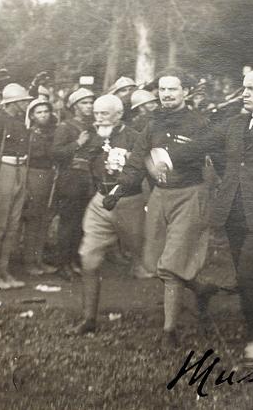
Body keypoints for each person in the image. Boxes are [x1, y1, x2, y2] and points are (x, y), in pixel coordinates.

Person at [136, 67, 253, 364]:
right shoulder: (234, 123)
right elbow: (201, 144)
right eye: (243, 87)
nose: (244, 93)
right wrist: (167, 157)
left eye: (251, 89)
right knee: (248, 275)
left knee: (248, 274)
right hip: (235, 212)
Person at [104, 69, 218, 347]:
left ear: (186, 92)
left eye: (173, 89)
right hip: (159, 197)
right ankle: (200, 289)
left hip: (190, 195)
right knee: (153, 262)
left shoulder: (200, 122)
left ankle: (169, 331)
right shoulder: (152, 123)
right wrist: (118, 189)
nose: (167, 94)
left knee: (170, 265)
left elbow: (214, 151)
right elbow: (136, 160)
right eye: (163, 90)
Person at [68, 95, 145, 335]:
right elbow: (79, 162)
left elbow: (142, 172)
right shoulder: (93, 135)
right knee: (88, 259)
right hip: (101, 203)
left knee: (151, 261)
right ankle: (88, 319)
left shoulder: (135, 138)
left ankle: (198, 290)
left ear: (119, 114)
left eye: (105, 114)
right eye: (96, 113)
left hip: (129, 203)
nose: (98, 118)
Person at [0, 81, 34, 290]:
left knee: (12, 225)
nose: (25, 105)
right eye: (23, 101)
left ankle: (4, 270)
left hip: (20, 170)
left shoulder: (20, 122)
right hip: (3, 171)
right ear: (13, 102)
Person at [51, 88, 96, 279]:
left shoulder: (92, 126)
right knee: (68, 224)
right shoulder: (65, 127)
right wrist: (77, 143)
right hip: (70, 178)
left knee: (80, 224)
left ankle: (73, 261)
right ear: (75, 106)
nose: (89, 106)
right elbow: (56, 153)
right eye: (84, 102)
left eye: (90, 102)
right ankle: (63, 264)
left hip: (86, 179)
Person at [21, 97, 59, 276]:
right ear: (32, 116)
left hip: (49, 175)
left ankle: (39, 259)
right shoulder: (29, 134)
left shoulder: (53, 133)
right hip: (34, 176)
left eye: (46, 111)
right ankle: (29, 262)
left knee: (44, 220)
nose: (43, 115)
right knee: (33, 220)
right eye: (39, 112)